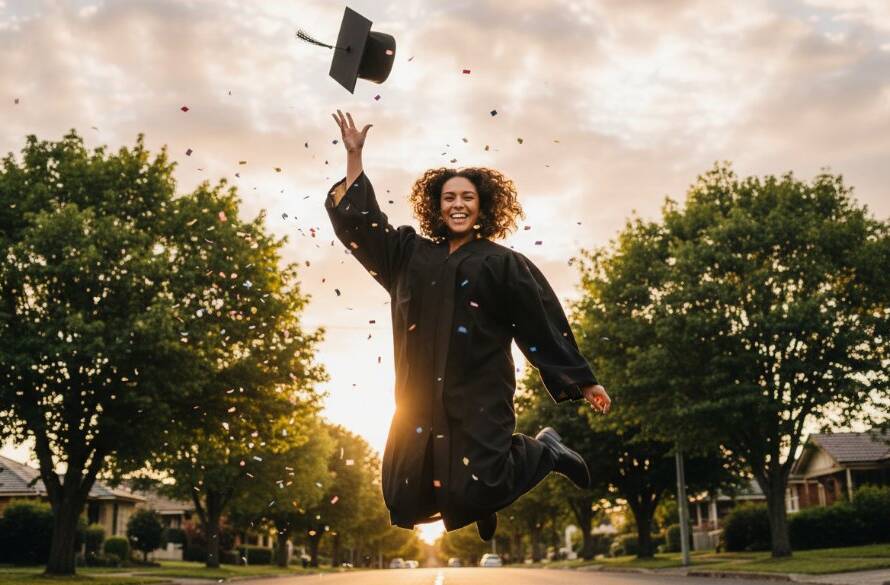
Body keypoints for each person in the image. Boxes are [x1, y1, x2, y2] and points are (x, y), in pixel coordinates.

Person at [325, 110, 611, 541]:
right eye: (449, 198)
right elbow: (364, 226)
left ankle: (545, 451)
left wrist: (582, 380)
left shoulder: (502, 263)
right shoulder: (408, 255)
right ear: (436, 207)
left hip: (476, 394)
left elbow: (540, 321)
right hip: (417, 398)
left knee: (483, 481)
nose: (458, 204)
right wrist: (354, 156)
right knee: (402, 494)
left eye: (467, 198)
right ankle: (480, 502)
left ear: (482, 207)